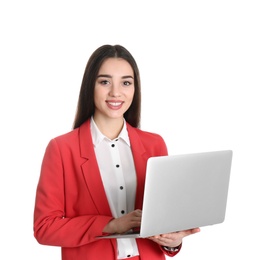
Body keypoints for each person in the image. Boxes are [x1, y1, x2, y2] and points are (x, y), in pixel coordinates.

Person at [33, 44, 200, 260]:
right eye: (105, 82)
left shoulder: (154, 145)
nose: (116, 92)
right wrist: (111, 225)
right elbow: (45, 228)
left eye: (126, 82)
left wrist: (172, 242)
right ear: (90, 86)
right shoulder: (62, 149)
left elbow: (162, 219)